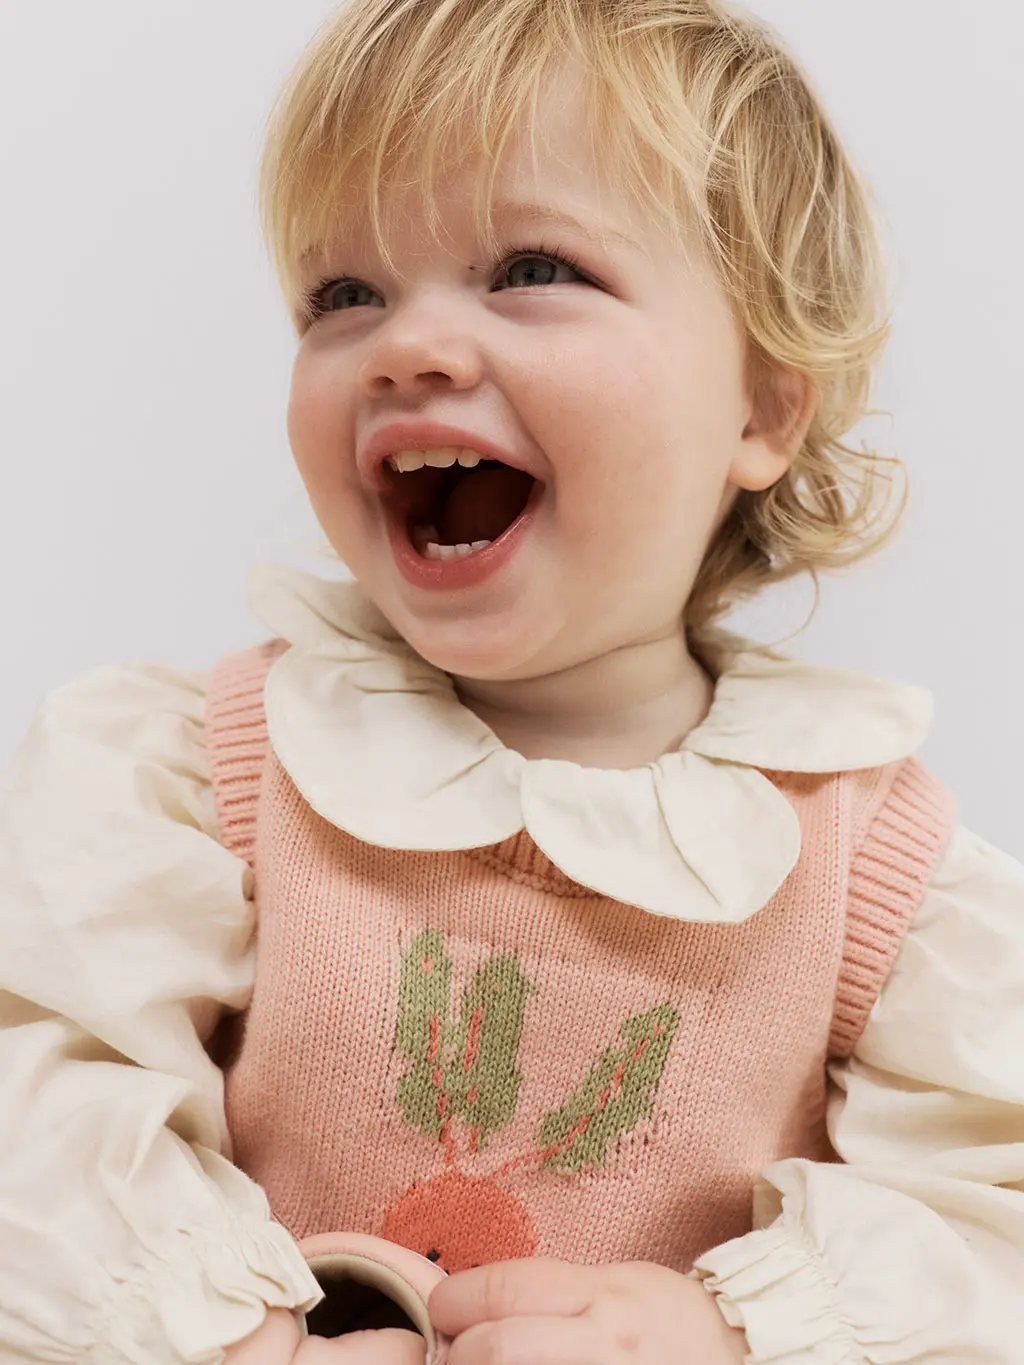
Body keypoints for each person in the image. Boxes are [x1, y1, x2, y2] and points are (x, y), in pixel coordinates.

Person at [2, 0, 1023, 1360]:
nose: (405, 345)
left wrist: (721, 1337)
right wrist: (232, 1340)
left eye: (532, 267)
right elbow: (43, 1107)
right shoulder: (207, 780)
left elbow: (987, 1228)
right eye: (342, 295)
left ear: (765, 407)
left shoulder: (871, 872)